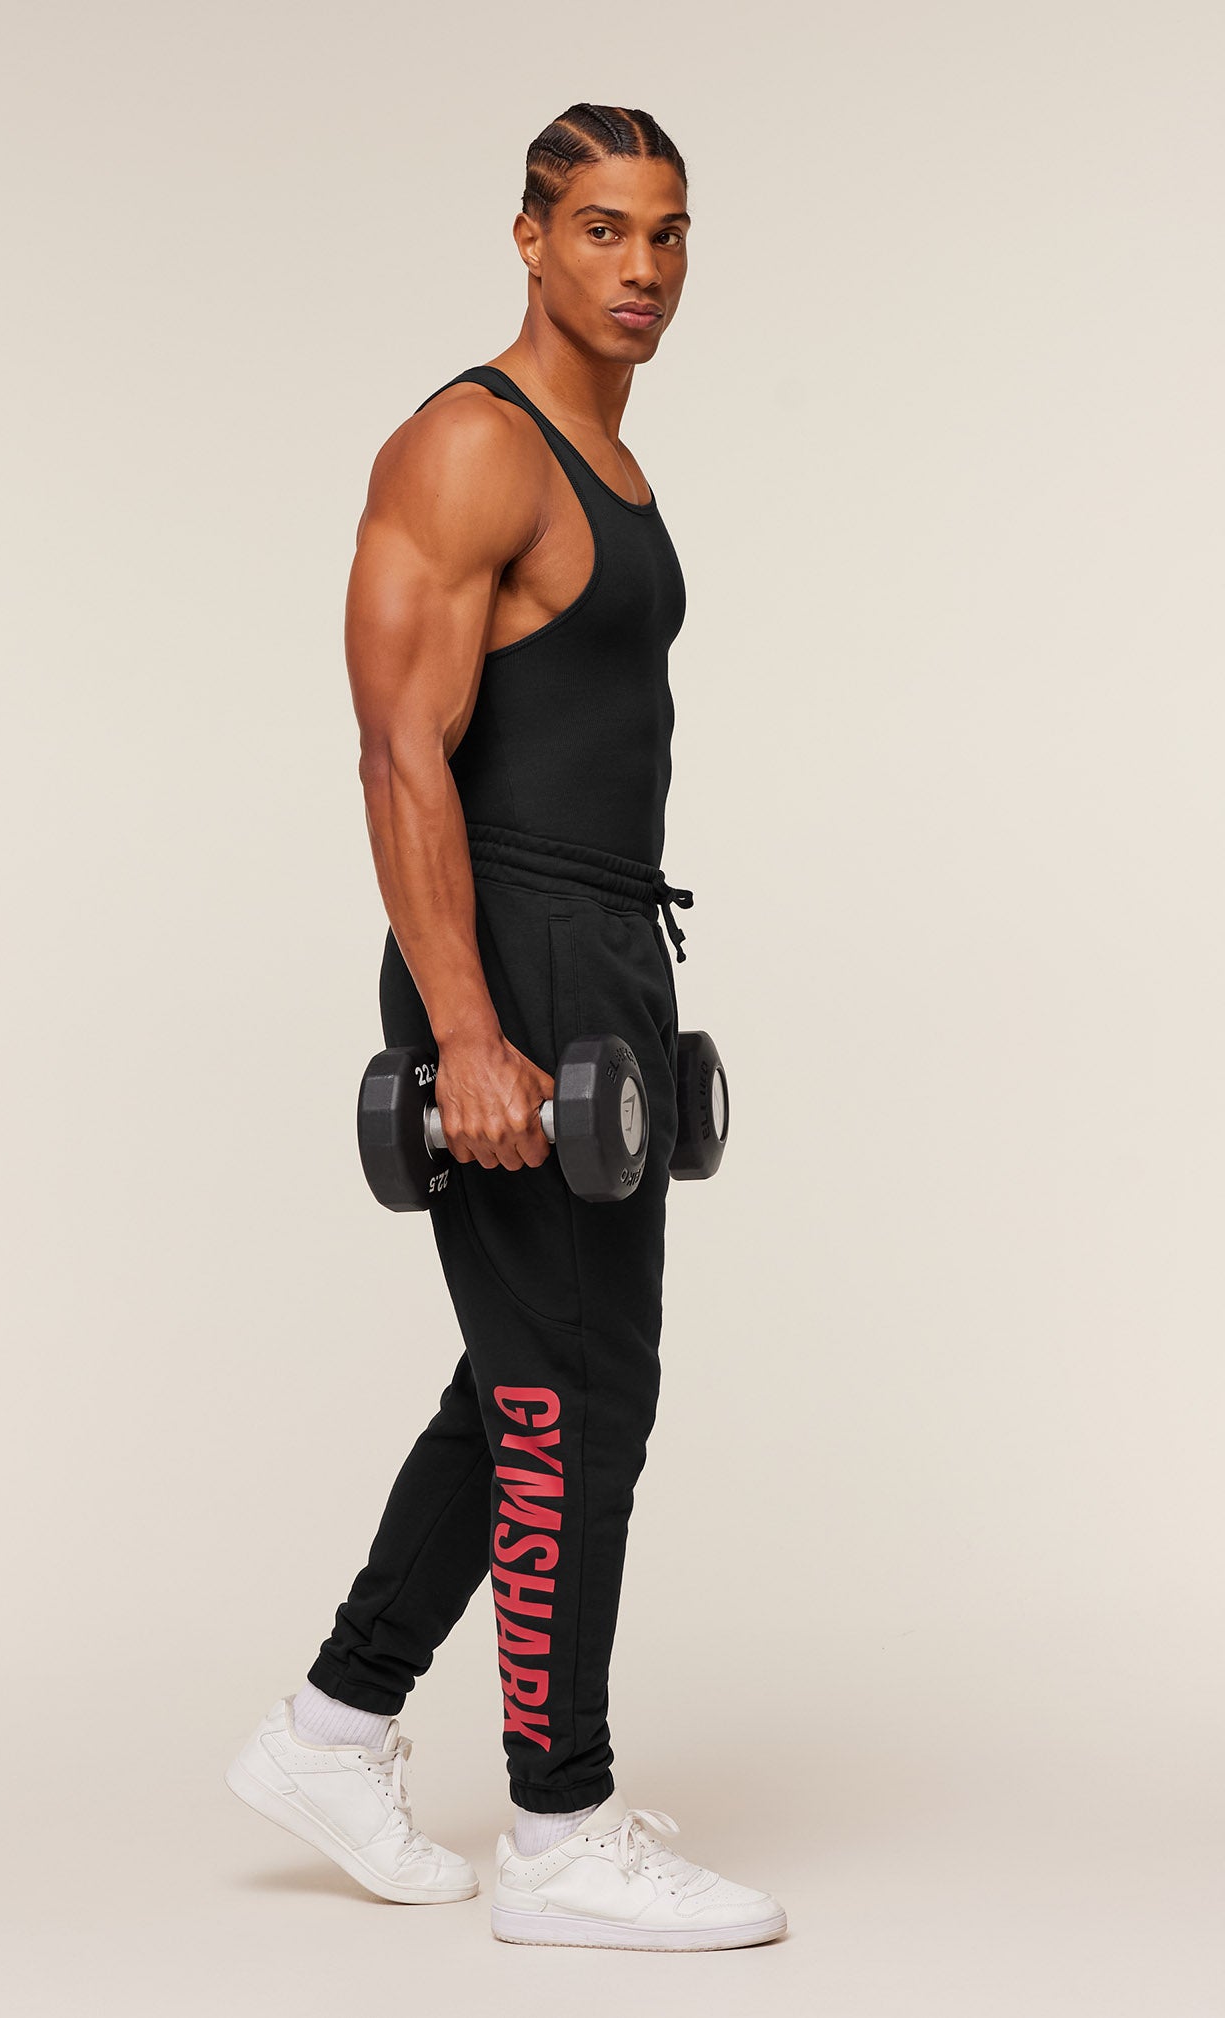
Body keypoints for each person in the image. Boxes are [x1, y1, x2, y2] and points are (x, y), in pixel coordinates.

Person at [226, 101, 786, 1953]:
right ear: (530, 237)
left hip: (606, 940)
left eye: (670, 233)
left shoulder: (610, 464)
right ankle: (560, 1827)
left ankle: (331, 1728)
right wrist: (469, 1031)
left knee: (527, 1374)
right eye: (604, 228)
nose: (644, 267)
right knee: (573, 1400)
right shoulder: (473, 446)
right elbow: (401, 751)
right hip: (515, 948)